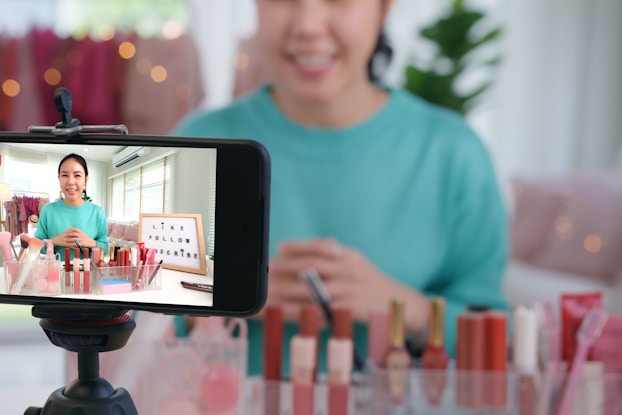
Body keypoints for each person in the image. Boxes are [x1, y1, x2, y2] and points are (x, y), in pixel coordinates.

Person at [173, 0, 509, 375]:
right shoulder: (197, 142)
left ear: (383, 10)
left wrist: (404, 308)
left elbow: (498, 336)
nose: (308, 26)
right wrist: (225, 296)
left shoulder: (454, 153)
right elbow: (136, 325)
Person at [35, 153, 109, 260]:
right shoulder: (48, 210)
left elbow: (105, 247)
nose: (70, 182)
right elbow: (36, 244)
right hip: (56, 272)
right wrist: (54, 241)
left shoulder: (97, 212)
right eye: (65, 175)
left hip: (87, 272)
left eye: (77, 175)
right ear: (59, 178)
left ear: (86, 180)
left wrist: (91, 242)